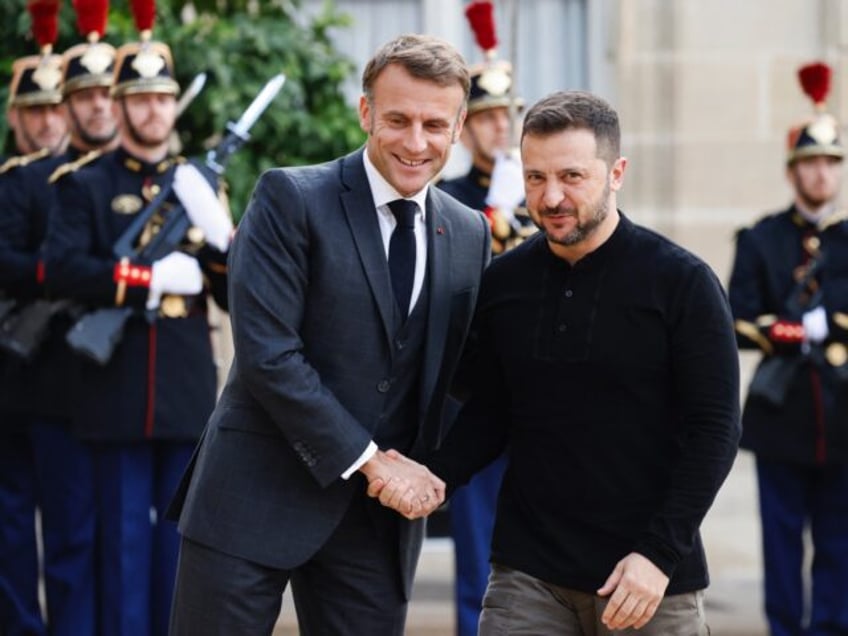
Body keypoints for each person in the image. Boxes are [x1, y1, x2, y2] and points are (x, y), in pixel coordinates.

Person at [372, 89, 742, 633]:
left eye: (572, 177)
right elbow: (496, 408)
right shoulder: (503, 283)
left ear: (616, 173)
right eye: (535, 177)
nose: (550, 198)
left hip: (644, 578)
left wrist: (659, 554)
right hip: (529, 573)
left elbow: (715, 429)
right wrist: (438, 475)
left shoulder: (682, 282)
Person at [167, 33, 490, 635]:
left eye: (434, 124)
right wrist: (372, 464)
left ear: (459, 125)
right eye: (397, 119)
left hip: (375, 525)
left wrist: (437, 472)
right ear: (365, 112)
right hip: (252, 496)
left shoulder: (470, 231)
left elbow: (465, 374)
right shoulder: (290, 196)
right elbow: (269, 356)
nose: (416, 142)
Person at [44, 23, 232, 635]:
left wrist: (223, 240)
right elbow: (63, 272)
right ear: (121, 105)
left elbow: (235, 292)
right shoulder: (84, 184)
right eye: (141, 98)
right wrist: (146, 279)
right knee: (121, 549)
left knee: (181, 551)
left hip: (183, 390)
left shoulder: (201, 187)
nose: (154, 109)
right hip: (115, 391)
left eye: (163, 97)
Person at [0, 12, 120, 632]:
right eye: (81, 99)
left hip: (103, 381)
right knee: (39, 533)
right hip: (37, 381)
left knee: (95, 537)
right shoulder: (26, 182)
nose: (55, 119)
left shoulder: (118, 179)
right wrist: (75, 273)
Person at [727, 61, 848, 636]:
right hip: (782, 416)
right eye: (810, 163)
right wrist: (803, 332)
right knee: (780, 543)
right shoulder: (762, 238)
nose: (820, 174)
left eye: (830, 162)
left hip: (844, 416)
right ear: (792, 170)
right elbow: (738, 318)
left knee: (840, 544)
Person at [436, 58, 534, 636]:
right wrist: (493, 215)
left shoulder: (542, 199)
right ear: (466, 128)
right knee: (478, 555)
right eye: (488, 117)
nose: (500, 128)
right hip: (474, 394)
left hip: (538, 393)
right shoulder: (447, 197)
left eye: (507, 116)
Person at [0, 37, 68, 636]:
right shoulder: (13, 183)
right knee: (14, 524)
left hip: (76, 379)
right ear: (15, 117)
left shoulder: (84, 177)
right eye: (35, 111)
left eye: (55, 108)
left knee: (75, 525)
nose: (47, 121)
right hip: (15, 375)